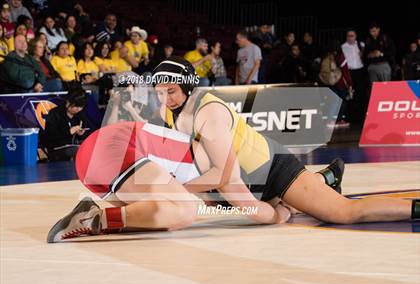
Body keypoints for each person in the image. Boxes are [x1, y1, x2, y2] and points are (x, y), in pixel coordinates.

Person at [47, 57, 420, 243]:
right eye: (160, 92)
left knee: (343, 213)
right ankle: (322, 180)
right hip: (240, 182)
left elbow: (228, 182)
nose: (165, 98)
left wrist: (271, 215)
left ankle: (407, 205)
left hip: (271, 170)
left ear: (189, 86)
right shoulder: (175, 110)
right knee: (196, 206)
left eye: (171, 91)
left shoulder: (207, 111)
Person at [43, 88, 90, 161]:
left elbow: (85, 130)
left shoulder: (80, 115)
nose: (78, 109)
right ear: (68, 102)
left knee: (90, 147)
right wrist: (68, 132)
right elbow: (49, 135)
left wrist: (81, 134)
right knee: (78, 150)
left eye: (81, 107)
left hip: (74, 144)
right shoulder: (55, 113)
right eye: (76, 106)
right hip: (56, 148)